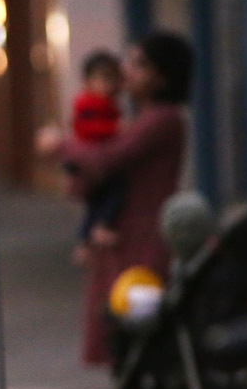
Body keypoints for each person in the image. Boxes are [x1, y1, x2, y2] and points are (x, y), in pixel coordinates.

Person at [40, 30, 195, 369]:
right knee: (118, 336)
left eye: (139, 65)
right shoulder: (134, 119)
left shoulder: (162, 121)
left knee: (134, 335)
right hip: (120, 239)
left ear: (162, 75)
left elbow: (108, 160)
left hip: (141, 242)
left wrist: (61, 146)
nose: (127, 72)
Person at [66, 50, 125, 266]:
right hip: (87, 160)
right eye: (103, 78)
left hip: (95, 160)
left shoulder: (108, 104)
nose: (108, 85)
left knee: (99, 202)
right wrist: (115, 130)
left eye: (113, 78)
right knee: (107, 196)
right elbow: (87, 129)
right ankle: (95, 231)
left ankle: (88, 238)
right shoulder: (88, 104)